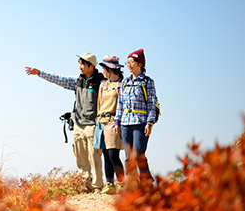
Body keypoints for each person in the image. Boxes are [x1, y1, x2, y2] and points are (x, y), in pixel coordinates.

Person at [25, 53, 106, 191]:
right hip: (79, 123)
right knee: (80, 155)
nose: (80, 67)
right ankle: (85, 184)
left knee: (94, 155)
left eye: (83, 64)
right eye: (79, 64)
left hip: (93, 123)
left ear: (91, 66)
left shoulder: (101, 82)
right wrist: (39, 73)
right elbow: (59, 79)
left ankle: (97, 185)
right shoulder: (77, 81)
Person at [113, 49, 157, 182]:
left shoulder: (148, 82)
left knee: (138, 154)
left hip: (140, 122)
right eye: (127, 63)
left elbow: (151, 104)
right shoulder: (125, 82)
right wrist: (117, 122)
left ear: (140, 64)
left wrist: (149, 123)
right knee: (128, 157)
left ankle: (147, 181)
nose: (129, 65)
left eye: (132, 62)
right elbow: (120, 103)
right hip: (126, 123)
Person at [94, 56, 126, 194]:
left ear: (110, 69)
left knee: (113, 154)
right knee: (105, 154)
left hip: (114, 122)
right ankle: (109, 184)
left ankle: (122, 183)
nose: (102, 71)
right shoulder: (103, 84)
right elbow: (99, 104)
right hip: (101, 122)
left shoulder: (121, 84)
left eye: (104, 68)